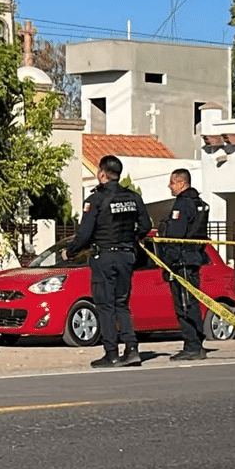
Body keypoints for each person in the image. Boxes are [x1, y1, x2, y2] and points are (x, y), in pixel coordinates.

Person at [62, 155, 152, 368]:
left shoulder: (96, 199)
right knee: (121, 304)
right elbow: (146, 226)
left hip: (105, 257)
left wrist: (70, 252)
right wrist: (130, 239)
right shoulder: (133, 197)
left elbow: (84, 234)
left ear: (102, 174)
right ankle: (131, 349)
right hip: (126, 256)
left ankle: (111, 353)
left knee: (105, 305)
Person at [158, 168, 211, 361]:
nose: (169, 186)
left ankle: (192, 346)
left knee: (184, 305)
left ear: (181, 183)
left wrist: (168, 263)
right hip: (193, 258)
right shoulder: (199, 204)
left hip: (182, 262)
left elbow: (174, 236)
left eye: (172, 182)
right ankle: (196, 343)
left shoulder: (183, 204)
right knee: (191, 302)